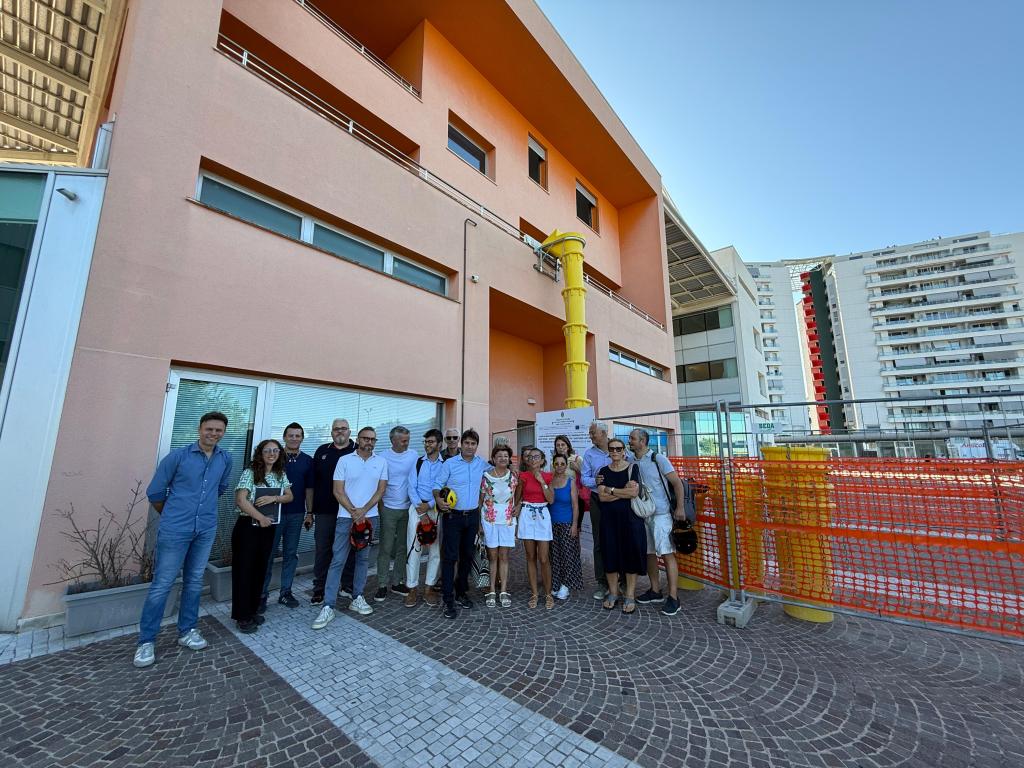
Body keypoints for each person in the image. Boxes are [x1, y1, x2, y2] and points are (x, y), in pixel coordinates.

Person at [133, 411, 234, 668]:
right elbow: (155, 492)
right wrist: (173, 514)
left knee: (194, 581)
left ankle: (187, 630)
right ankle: (146, 641)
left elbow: (220, 489)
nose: (213, 434)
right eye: (209, 429)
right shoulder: (177, 457)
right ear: (200, 429)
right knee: (162, 584)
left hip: (205, 528)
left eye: (219, 430)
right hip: (175, 529)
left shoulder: (225, 459)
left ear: (223, 433)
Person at [312, 427, 388, 628]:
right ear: (358, 440)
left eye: (372, 439)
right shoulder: (344, 460)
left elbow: (381, 490)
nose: (369, 442)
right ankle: (328, 605)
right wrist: (354, 512)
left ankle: (358, 597)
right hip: (346, 517)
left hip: (370, 517)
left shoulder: (381, 462)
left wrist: (363, 511)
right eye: (365, 438)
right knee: (338, 560)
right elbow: (337, 491)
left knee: (363, 559)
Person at [232, 440, 293, 633]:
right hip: (248, 527)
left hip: (268, 528)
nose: (271, 454)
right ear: (260, 453)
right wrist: (260, 517)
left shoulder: (280, 474)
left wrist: (274, 498)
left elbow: (289, 496)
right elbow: (241, 500)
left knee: (259, 570)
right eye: (267, 450)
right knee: (244, 571)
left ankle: (251, 610)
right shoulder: (250, 473)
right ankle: (242, 616)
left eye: (275, 450)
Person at [628, 428, 689, 617]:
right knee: (649, 554)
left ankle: (674, 597)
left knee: (667, 554)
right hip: (643, 514)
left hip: (661, 514)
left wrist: (680, 508)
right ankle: (655, 590)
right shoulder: (631, 461)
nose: (630, 441)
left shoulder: (658, 459)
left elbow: (677, 483)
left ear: (643, 441)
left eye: (632, 438)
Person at [434, 429, 490, 619]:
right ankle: (448, 599)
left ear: (476, 446)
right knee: (450, 558)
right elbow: (437, 486)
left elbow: (498, 470)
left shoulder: (481, 463)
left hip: (472, 516)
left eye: (473, 444)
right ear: (461, 444)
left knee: (467, 556)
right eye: (466, 443)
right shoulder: (449, 464)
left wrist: (513, 470)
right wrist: (438, 500)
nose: (469, 447)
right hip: (452, 517)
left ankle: (460, 592)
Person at [260, 422, 313, 610]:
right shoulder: (273, 456)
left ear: (302, 438)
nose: (294, 439)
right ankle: (261, 595)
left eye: (298, 436)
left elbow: (309, 489)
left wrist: (309, 513)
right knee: (268, 555)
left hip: (296, 514)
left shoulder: (307, 461)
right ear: (284, 437)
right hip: (272, 514)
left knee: (290, 554)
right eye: (291, 435)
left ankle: (286, 592)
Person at [581, 421, 633, 600]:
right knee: (599, 541)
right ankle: (602, 582)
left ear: (603, 433)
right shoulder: (589, 454)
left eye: (592, 433)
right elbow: (584, 478)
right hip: (598, 499)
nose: (590, 436)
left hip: (622, 500)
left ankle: (624, 581)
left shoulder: (620, 449)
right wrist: (595, 481)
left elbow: (631, 470)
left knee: (623, 538)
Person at [309, 419, 357, 605]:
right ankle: (319, 588)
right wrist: (310, 511)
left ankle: (347, 585)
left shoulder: (357, 450)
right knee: (323, 550)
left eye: (343, 428)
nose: (340, 432)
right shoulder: (322, 451)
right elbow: (313, 483)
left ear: (349, 431)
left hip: (350, 511)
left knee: (351, 548)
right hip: (325, 511)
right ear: (331, 433)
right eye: (336, 429)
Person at [595, 438, 644, 614]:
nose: (615, 451)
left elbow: (634, 493)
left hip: (630, 520)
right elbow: (602, 497)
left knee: (630, 555)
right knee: (610, 554)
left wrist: (612, 490)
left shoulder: (632, 468)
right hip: (608, 520)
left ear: (624, 451)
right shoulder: (603, 471)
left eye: (618, 448)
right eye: (612, 449)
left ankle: (630, 595)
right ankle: (613, 592)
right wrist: (623, 492)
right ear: (608, 452)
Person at [376, 426, 418, 602]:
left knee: (402, 547)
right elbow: (377, 483)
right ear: (393, 440)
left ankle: (397, 581)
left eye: (408, 440)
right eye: (403, 440)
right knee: (385, 547)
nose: (406, 443)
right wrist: (380, 507)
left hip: (407, 508)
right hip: (388, 508)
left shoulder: (413, 455)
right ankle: (381, 584)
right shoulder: (382, 457)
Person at [405, 429, 445, 607]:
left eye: (431, 442)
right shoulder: (418, 463)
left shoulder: (446, 465)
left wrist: (429, 505)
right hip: (417, 509)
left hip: (436, 510)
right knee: (414, 548)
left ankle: (429, 588)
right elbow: (411, 487)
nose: (427, 445)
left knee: (435, 551)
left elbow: (445, 489)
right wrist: (421, 511)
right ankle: (412, 589)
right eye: (426, 442)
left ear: (439, 444)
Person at [479, 444, 518, 608]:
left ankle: (503, 590)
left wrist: (518, 506)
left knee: (504, 556)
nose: (503, 458)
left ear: (509, 459)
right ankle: (492, 591)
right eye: (499, 456)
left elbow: (518, 495)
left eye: (505, 456)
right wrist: (479, 524)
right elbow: (480, 500)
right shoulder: (486, 477)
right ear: (494, 459)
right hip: (490, 520)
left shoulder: (514, 476)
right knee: (492, 556)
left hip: (507, 520)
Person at [516, 447, 555, 609]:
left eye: (536, 456)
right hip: (527, 514)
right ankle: (534, 593)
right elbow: (517, 498)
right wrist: (517, 506)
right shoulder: (523, 476)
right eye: (530, 457)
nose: (533, 459)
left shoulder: (548, 476)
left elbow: (551, 499)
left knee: (544, 558)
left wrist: (542, 482)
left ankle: (548, 594)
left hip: (543, 515)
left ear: (542, 460)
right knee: (530, 557)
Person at [549, 454, 583, 600]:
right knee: (554, 556)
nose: (559, 466)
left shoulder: (571, 482)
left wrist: (575, 525)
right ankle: (556, 583)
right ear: (553, 465)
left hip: (567, 523)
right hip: (551, 524)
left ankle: (566, 585)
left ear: (566, 466)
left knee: (568, 556)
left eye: (562, 464)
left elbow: (576, 506)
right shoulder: (549, 481)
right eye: (556, 464)